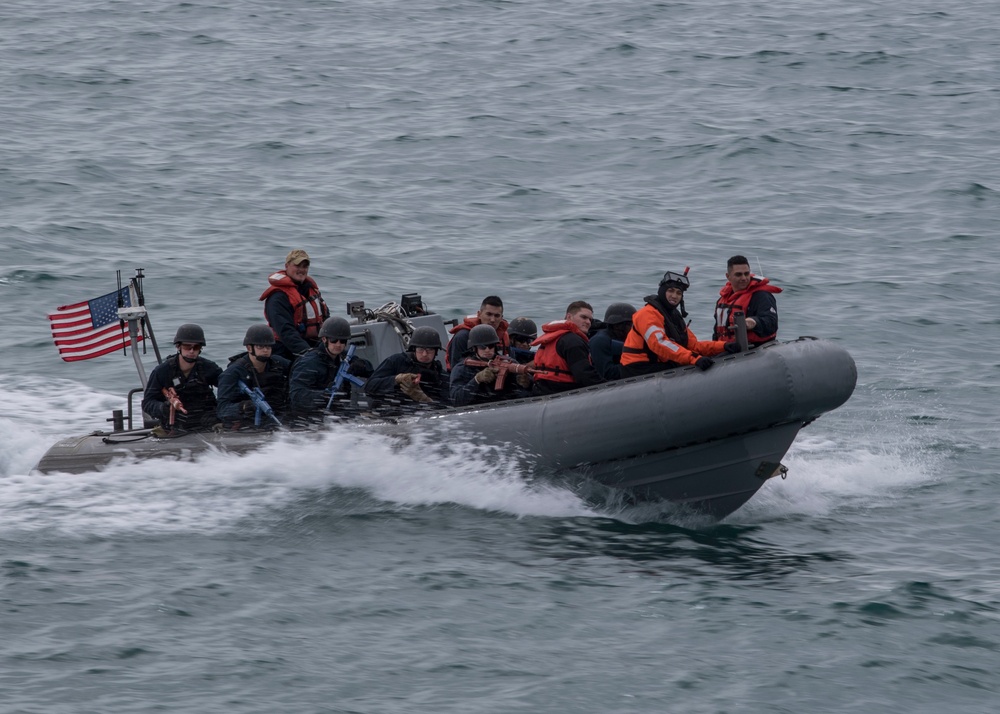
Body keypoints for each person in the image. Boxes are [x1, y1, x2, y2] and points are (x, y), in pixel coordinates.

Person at [621, 270, 729, 378]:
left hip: (658, 363)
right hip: (637, 368)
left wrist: (723, 346)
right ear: (663, 291)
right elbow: (659, 343)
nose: (674, 296)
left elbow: (694, 345)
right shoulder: (647, 314)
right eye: (671, 291)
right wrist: (693, 358)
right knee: (684, 366)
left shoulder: (674, 316)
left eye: (678, 293)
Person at [142, 324, 223, 431]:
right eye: (187, 346)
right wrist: (165, 408)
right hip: (176, 427)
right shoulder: (163, 371)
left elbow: (227, 391)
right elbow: (147, 402)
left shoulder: (209, 368)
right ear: (178, 347)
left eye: (196, 347)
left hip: (208, 425)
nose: (191, 351)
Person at [288, 317, 373, 419]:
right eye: (334, 340)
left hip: (337, 410)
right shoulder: (309, 363)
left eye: (342, 341)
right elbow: (297, 396)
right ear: (324, 339)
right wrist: (324, 395)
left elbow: (370, 371)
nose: (338, 344)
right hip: (310, 415)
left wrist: (360, 365)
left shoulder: (344, 357)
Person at [216, 324, 291, 429]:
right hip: (248, 422)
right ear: (249, 348)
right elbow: (222, 410)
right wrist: (245, 407)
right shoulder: (233, 373)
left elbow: (297, 374)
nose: (265, 350)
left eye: (268, 346)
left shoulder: (279, 363)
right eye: (260, 347)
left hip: (277, 416)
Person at [260, 249, 331, 360]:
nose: (302, 270)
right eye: (297, 266)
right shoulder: (278, 297)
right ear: (287, 266)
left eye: (305, 266)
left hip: (314, 346)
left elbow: (326, 319)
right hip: (286, 351)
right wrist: (309, 354)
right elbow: (286, 333)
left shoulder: (312, 291)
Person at [364, 326, 450, 410]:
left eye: (429, 350)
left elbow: (449, 405)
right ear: (414, 349)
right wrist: (396, 379)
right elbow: (370, 386)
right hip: (390, 413)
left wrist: (424, 399)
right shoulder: (396, 361)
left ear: (436, 351)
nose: (424, 354)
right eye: (420, 349)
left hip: (421, 416)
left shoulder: (440, 375)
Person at [531, 301, 605, 396]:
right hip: (561, 392)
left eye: (590, 319)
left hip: (542, 389)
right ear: (569, 317)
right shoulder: (573, 341)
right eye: (583, 317)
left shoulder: (555, 337)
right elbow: (584, 375)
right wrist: (608, 387)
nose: (588, 322)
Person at [449, 324, 526, 407]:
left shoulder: (509, 363)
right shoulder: (463, 368)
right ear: (474, 348)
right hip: (476, 411)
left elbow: (526, 394)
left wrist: (527, 383)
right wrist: (476, 380)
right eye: (482, 347)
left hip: (506, 407)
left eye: (491, 346)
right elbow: (456, 400)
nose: (487, 350)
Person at [712, 255, 781, 345]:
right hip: (726, 348)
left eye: (746, 273)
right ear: (728, 276)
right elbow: (717, 331)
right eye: (738, 274)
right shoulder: (723, 300)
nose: (744, 278)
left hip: (753, 347)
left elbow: (771, 323)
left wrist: (753, 322)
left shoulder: (761, 296)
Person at [445, 295, 510, 370]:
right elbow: (456, 369)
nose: (492, 319)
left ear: (502, 318)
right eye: (489, 314)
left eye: (497, 316)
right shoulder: (463, 336)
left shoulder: (504, 336)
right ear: (479, 314)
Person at [589, 302, 636, 380]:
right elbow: (606, 373)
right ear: (618, 326)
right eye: (630, 325)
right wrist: (637, 365)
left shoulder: (621, 338)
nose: (633, 328)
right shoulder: (599, 341)